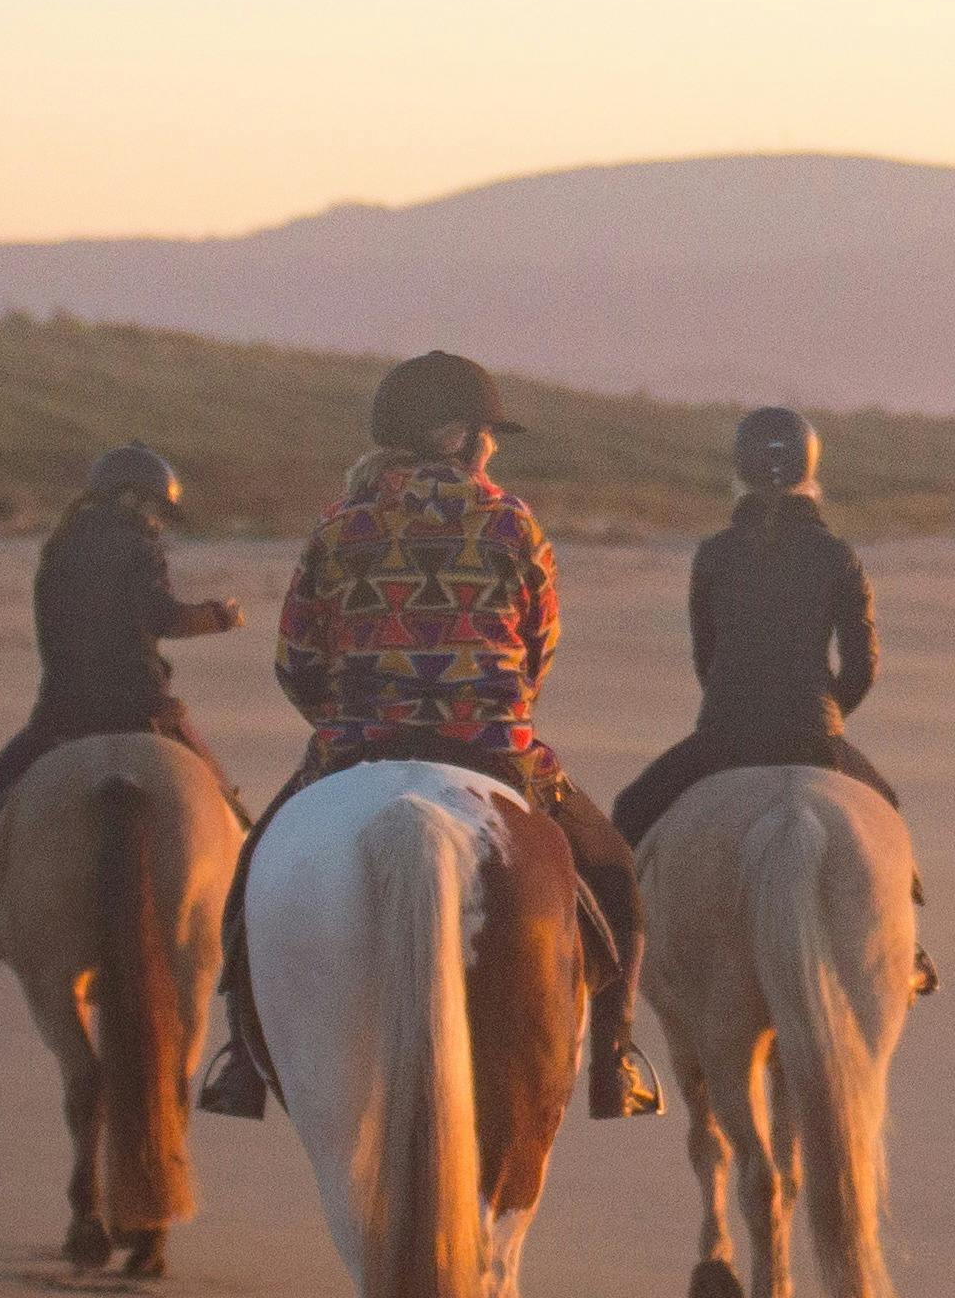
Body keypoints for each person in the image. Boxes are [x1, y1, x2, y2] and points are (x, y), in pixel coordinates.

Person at [202, 349, 663, 1122]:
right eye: (487, 432)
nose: (492, 447)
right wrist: (490, 705)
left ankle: (241, 1063)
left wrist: (348, 724)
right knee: (613, 877)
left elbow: (296, 661)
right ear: (455, 437)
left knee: (250, 883)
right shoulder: (512, 519)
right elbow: (539, 645)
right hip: (492, 749)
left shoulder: (339, 524)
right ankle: (614, 1059)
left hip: (355, 746)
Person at [0, 443, 243, 977]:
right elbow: (162, 617)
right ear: (128, 498)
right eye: (154, 509)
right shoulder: (140, 549)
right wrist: (219, 616)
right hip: (143, 710)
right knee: (229, 807)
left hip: (64, 715)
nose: (158, 523)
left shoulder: (58, 550)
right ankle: (241, 930)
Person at [608, 408, 903, 845]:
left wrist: (738, 705)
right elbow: (862, 667)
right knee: (889, 817)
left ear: (741, 471)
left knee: (629, 812)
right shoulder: (837, 556)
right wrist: (825, 712)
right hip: (813, 736)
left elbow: (706, 660)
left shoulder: (715, 555)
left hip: (727, 732)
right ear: (811, 469)